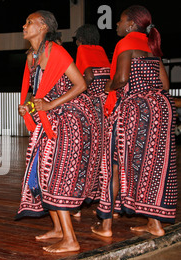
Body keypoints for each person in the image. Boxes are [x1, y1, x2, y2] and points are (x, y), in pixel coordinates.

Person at [15, 11, 96, 253]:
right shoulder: (31, 57)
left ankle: (71, 239)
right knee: (42, 173)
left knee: (56, 176)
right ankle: (59, 229)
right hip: (49, 120)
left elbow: (81, 84)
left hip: (70, 120)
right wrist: (29, 106)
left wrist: (49, 105)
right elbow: (39, 95)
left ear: (43, 27)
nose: (24, 25)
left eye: (29, 22)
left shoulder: (55, 51)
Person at [93, 5, 177, 237]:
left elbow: (120, 79)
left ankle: (106, 225)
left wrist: (105, 87)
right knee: (152, 166)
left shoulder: (126, 43)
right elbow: (166, 85)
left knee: (113, 165)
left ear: (130, 24)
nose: (117, 25)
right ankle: (155, 223)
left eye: (120, 21)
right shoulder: (152, 45)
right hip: (160, 109)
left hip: (135, 111)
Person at [73, 24, 111, 214]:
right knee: (106, 152)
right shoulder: (101, 50)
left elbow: (88, 76)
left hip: (94, 103)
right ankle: (106, 198)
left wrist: (78, 93)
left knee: (86, 152)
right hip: (109, 103)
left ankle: (78, 202)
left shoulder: (82, 49)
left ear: (80, 38)